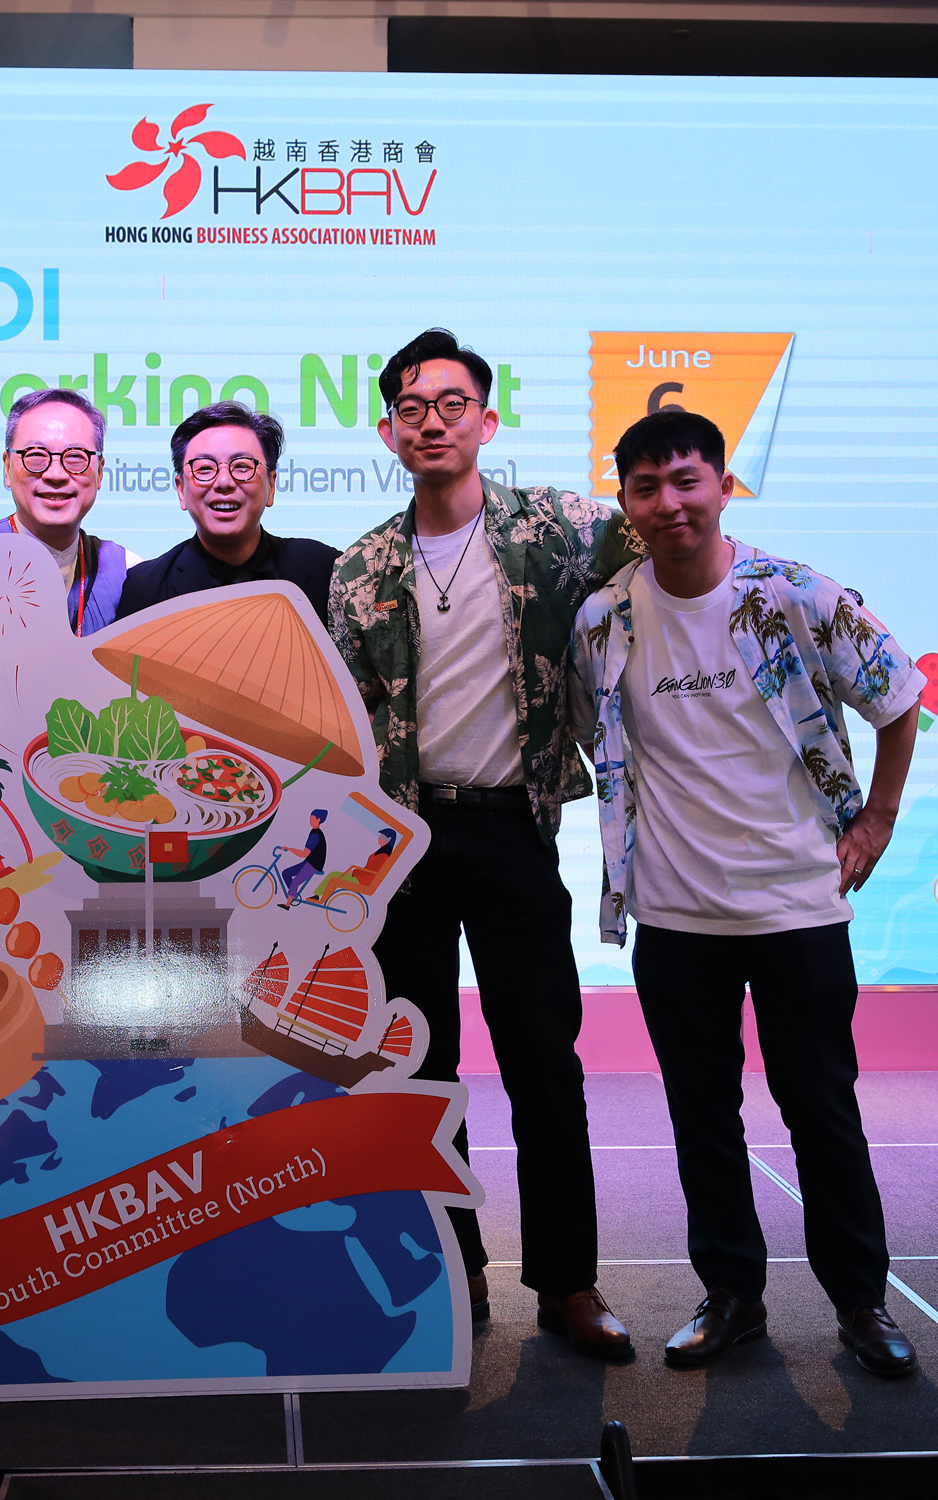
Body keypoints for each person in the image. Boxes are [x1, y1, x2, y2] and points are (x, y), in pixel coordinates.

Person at [569, 409, 925, 1378]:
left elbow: (899, 696)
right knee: (702, 1118)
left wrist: (878, 819)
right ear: (627, 503)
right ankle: (732, 1297)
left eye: (687, 480)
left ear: (724, 487)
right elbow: (596, 738)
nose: (669, 503)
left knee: (822, 1110)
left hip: (795, 905)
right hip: (675, 913)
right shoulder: (605, 619)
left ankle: (861, 1304)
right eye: (646, 488)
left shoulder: (795, 594)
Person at [330, 328, 640, 1360]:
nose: (432, 421)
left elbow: (663, 547)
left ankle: (568, 1282)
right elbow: (346, 720)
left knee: (544, 1063)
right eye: (412, 408)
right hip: (404, 846)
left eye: (452, 404)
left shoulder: (560, 529)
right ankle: (449, 1272)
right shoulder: (361, 567)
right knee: (421, 1068)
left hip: (513, 830)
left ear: (487, 421)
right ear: (388, 431)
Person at [0, 387, 134, 634]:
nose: (56, 475)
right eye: (35, 455)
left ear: (99, 472)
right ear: (7, 468)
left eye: (75, 457)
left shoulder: (128, 573)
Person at [115, 401, 338, 623]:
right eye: (204, 468)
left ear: (271, 485)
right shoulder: (146, 588)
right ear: (181, 490)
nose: (224, 482)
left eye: (242, 466)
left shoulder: (325, 569)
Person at [276, 809, 328, 907]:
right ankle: (294, 893)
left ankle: (288, 904)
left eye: (312, 819)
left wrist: (289, 849)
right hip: (309, 861)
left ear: (318, 820)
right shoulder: (314, 831)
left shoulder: (315, 835)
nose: (310, 821)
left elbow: (304, 853)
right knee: (286, 873)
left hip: (314, 864)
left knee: (295, 882)